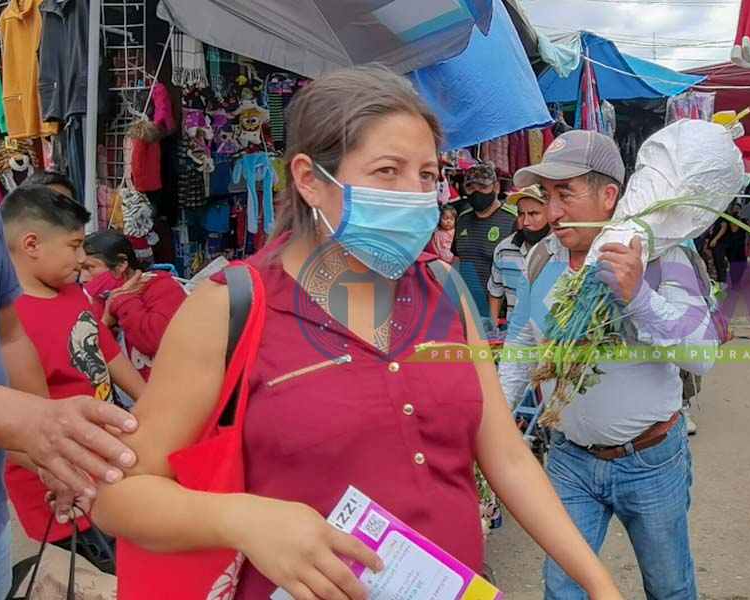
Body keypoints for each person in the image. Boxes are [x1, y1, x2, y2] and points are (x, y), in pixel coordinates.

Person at [93, 68, 622, 600]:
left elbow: (505, 455)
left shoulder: (444, 289)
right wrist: (239, 518)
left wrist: (598, 583)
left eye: (424, 174)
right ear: (310, 179)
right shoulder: (228, 307)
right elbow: (121, 498)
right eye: (387, 171)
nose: (416, 195)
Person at [502, 129, 718, 600]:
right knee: (563, 585)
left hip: (650, 459)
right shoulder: (541, 257)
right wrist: (494, 424)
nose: (553, 212)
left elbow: (703, 355)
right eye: (547, 195)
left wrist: (638, 297)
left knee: (669, 587)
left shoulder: (664, 256)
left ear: (609, 196)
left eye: (566, 194)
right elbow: (520, 347)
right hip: (569, 458)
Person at [0, 200, 138, 598]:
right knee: (80, 570)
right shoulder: (20, 316)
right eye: (74, 246)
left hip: (94, 461)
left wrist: (147, 400)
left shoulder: (74, 296)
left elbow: (107, 353)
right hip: (54, 483)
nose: (81, 259)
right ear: (31, 244)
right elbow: (31, 416)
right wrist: (52, 461)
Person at [80, 230, 188, 380]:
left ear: (121, 264)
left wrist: (123, 299)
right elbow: (88, 358)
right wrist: (106, 320)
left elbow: (151, 342)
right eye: (80, 269)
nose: (83, 278)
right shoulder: (97, 298)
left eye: (89, 268)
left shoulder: (163, 288)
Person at [452, 162, 517, 320]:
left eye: (482, 187)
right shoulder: (462, 219)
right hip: (466, 308)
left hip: (499, 312)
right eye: (471, 188)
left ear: (496, 187)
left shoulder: (512, 220)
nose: (476, 193)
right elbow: (456, 259)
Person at [488, 185, 550, 331]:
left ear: (550, 213)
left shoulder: (562, 249)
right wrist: (492, 328)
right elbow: (495, 293)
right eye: (521, 214)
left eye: (534, 214)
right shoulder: (504, 249)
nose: (526, 222)